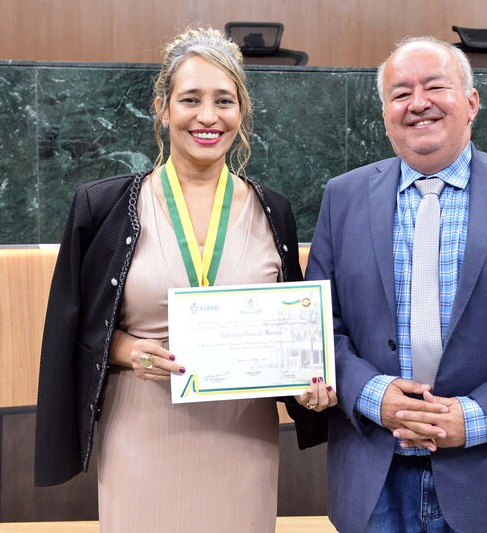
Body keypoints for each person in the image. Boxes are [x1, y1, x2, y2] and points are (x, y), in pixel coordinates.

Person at [34, 26, 334, 533]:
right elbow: (73, 329)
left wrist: (308, 385)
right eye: (190, 99)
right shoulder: (103, 207)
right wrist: (131, 350)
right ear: (162, 108)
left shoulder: (273, 210)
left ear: (242, 112)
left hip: (243, 438)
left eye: (224, 101)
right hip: (142, 429)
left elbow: (292, 333)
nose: (208, 117)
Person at [305, 36, 487, 533]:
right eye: (400, 93)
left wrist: (480, 415)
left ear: (471, 102)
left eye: (434, 86)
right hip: (374, 474)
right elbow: (318, 325)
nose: (418, 103)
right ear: (385, 115)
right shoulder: (343, 196)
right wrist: (373, 395)